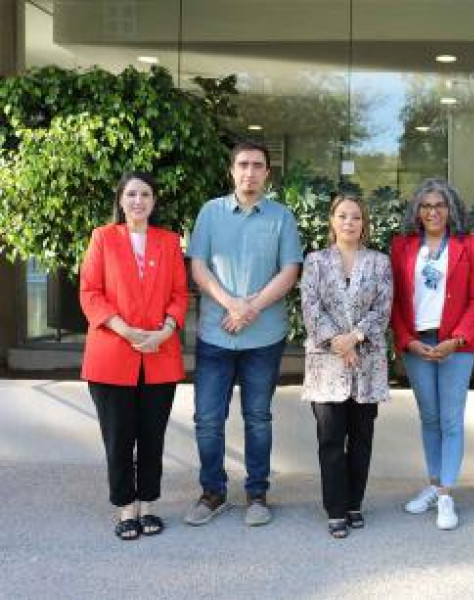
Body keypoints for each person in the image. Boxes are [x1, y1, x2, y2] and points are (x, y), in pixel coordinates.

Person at [184, 141, 303, 527]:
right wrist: (231, 304)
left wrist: (250, 308)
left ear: (267, 172)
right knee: (207, 418)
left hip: (263, 337)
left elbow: (290, 271)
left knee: (258, 418)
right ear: (231, 170)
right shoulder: (210, 212)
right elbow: (199, 267)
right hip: (215, 334)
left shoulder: (282, 217)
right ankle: (213, 492)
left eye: (257, 165)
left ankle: (257, 494)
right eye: (243, 165)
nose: (249, 172)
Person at [80, 171, 189, 540]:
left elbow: (180, 294)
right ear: (121, 200)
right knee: (119, 438)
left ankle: (148, 505)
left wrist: (166, 330)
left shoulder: (169, 241)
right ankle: (126, 508)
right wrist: (124, 329)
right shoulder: (103, 238)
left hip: (160, 353)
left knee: (152, 437)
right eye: (131, 194)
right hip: (112, 353)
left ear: (154, 201)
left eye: (145, 194)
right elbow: (90, 292)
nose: (138, 201)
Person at [390, 177, 474, 531]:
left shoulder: (469, 244)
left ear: (451, 209)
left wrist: (457, 340)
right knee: (429, 417)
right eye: (426, 206)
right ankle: (433, 484)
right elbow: (394, 299)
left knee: (451, 419)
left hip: (455, 345)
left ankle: (446, 494)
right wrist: (407, 340)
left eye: (440, 205)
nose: (433, 212)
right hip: (417, 344)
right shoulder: (401, 245)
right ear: (417, 210)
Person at [300, 193, 392, 539]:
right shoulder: (316, 261)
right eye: (342, 216)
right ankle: (336, 509)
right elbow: (310, 306)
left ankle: (355, 504)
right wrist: (337, 342)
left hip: (367, 362)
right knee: (331, 439)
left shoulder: (379, 262)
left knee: (362, 439)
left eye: (355, 217)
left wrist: (354, 337)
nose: (349, 222)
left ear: (364, 223)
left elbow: (383, 308)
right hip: (326, 363)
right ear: (332, 221)